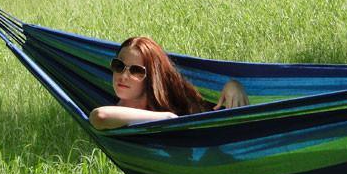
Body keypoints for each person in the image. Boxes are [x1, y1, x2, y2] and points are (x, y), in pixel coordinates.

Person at [89, 36, 249, 129]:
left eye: (136, 71)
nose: (123, 76)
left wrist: (233, 86)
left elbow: (216, 117)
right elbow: (100, 116)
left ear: (152, 77)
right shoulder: (115, 113)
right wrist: (166, 118)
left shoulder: (177, 103)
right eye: (119, 66)